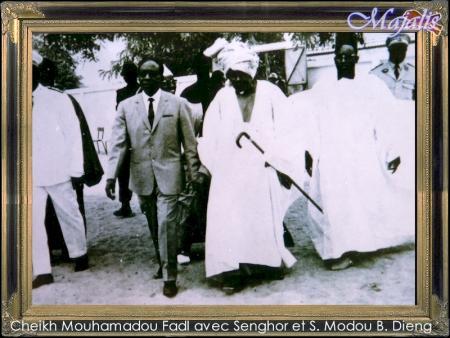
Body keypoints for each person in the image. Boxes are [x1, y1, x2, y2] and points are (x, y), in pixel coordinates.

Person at [285, 33, 415, 271]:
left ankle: (353, 247)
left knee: (360, 204)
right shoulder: (323, 87)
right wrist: (308, 152)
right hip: (331, 157)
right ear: (334, 59)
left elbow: (386, 119)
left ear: (356, 58)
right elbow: (310, 121)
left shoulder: (371, 85)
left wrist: (392, 151)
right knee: (333, 203)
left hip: (361, 156)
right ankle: (336, 252)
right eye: (338, 56)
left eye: (347, 56)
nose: (342, 60)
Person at [197, 41, 296, 294]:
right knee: (231, 221)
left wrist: (282, 163)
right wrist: (213, 166)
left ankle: (265, 264)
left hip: (263, 170)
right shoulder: (222, 97)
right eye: (231, 78)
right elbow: (209, 135)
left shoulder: (271, 92)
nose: (236, 83)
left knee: (261, 219)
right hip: (230, 174)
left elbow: (288, 130)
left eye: (241, 77)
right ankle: (233, 270)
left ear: (252, 73)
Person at [105, 56, 202, 298]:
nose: (148, 78)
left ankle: (170, 277)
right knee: (153, 224)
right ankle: (163, 261)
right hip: (141, 177)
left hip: (170, 174)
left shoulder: (178, 104)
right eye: (144, 74)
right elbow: (117, 144)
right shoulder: (126, 106)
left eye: (153, 74)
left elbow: (190, 144)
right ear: (139, 77)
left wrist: (194, 171)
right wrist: (110, 177)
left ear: (161, 77)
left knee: (166, 223)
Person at [32, 51, 89, 289]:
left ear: (35, 72)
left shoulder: (56, 99)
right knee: (32, 221)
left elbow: (73, 135)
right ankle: (42, 270)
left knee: (70, 214)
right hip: (29, 174)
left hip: (58, 170)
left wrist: (76, 170)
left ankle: (79, 254)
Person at [39, 58, 103, 264]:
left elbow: (80, 136)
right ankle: (49, 250)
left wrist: (81, 168)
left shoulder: (63, 100)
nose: (46, 75)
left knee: (70, 210)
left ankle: (73, 251)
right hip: (40, 169)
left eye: (49, 72)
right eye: (42, 72)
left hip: (65, 168)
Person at [113, 61, 140, 218]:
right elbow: (119, 116)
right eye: (125, 75)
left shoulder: (142, 91)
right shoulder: (120, 92)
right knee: (123, 172)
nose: (126, 78)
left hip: (140, 135)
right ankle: (125, 205)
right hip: (126, 136)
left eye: (128, 75)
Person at [370, 33, 415, 100]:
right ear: (389, 50)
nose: (399, 52)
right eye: (396, 49)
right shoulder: (375, 73)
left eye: (403, 49)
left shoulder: (414, 72)